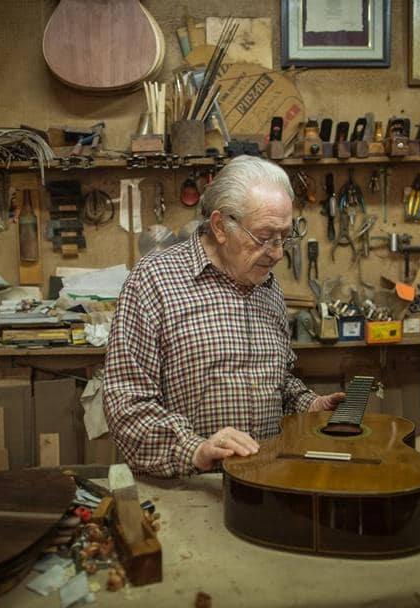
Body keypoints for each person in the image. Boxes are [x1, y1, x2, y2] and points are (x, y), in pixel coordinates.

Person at [103, 155, 346, 478]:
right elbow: (126, 404)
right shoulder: (154, 282)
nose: (276, 253)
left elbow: (277, 381)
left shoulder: (266, 285)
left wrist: (309, 406)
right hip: (187, 492)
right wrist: (195, 449)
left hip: (264, 485)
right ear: (220, 226)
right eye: (263, 237)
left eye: (284, 237)